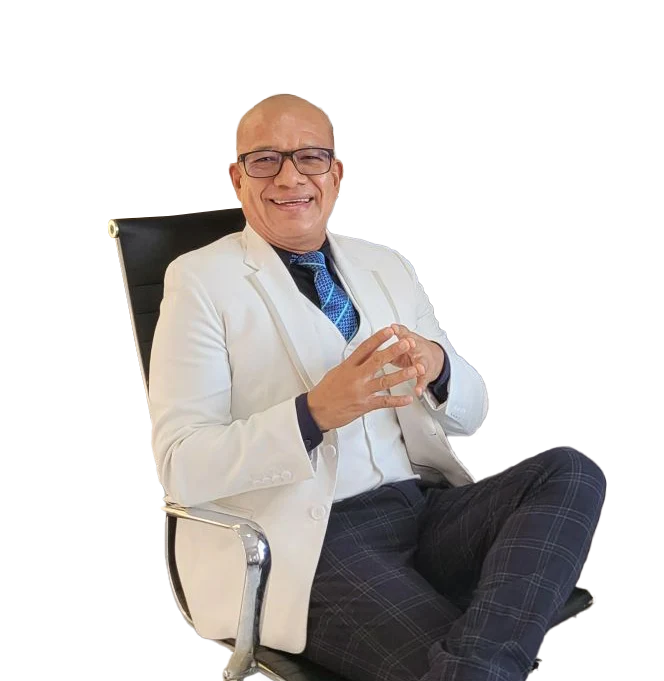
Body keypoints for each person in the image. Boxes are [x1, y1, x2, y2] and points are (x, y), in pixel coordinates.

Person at [148, 92, 607, 681]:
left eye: (310, 157)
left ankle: (481, 665)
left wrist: (439, 368)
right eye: (265, 160)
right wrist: (314, 413)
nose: (290, 177)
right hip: (310, 541)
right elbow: (183, 464)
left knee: (571, 472)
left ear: (335, 175)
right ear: (237, 179)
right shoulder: (200, 281)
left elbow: (470, 414)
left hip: (420, 510)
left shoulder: (384, 265)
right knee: (466, 656)